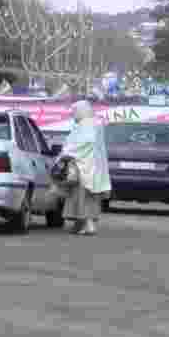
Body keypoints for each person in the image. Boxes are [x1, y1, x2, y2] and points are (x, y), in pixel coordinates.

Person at [57, 100, 111, 235]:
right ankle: (83, 224)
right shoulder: (96, 125)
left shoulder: (84, 126)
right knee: (90, 198)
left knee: (81, 197)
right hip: (94, 169)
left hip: (83, 168)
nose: (73, 115)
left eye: (75, 112)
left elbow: (80, 145)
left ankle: (87, 225)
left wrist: (65, 153)